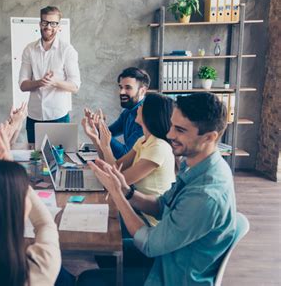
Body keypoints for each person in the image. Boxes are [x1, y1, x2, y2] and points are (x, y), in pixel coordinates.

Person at [78, 92, 237, 286]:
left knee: (87, 280)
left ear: (210, 137)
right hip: (168, 254)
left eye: (180, 130)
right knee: (104, 252)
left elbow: (149, 244)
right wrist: (126, 191)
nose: (170, 134)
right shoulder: (196, 165)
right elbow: (162, 205)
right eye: (171, 126)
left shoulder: (206, 195)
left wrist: (117, 193)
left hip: (172, 276)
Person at [89, 93, 175, 227]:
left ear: (150, 114)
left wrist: (106, 146)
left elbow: (117, 180)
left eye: (142, 106)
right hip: (136, 209)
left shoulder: (158, 147)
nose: (139, 108)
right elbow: (116, 167)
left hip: (149, 220)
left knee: (94, 220)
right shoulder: (143, 141)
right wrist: (96, 139)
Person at [19, 5, 81, 143]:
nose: (48, 27)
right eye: (45, 22)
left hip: (59, 116)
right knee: (34, 159)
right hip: (34, 117)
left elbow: (75, 86)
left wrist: (54, 82)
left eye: (53, 23)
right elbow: (23, 85)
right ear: (40, 24)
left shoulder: (67, 50)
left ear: (59, 26)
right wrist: (40, 82)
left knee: (60, 160)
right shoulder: (29, 49)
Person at [83, 67, 150, 158]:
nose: (121, 92)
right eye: (121, 87)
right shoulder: (127, 112)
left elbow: (124, 154)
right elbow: (109, 133)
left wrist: (101, 127)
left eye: (128, 88)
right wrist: (97, 124)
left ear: (142, 91)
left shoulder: (146, 118)